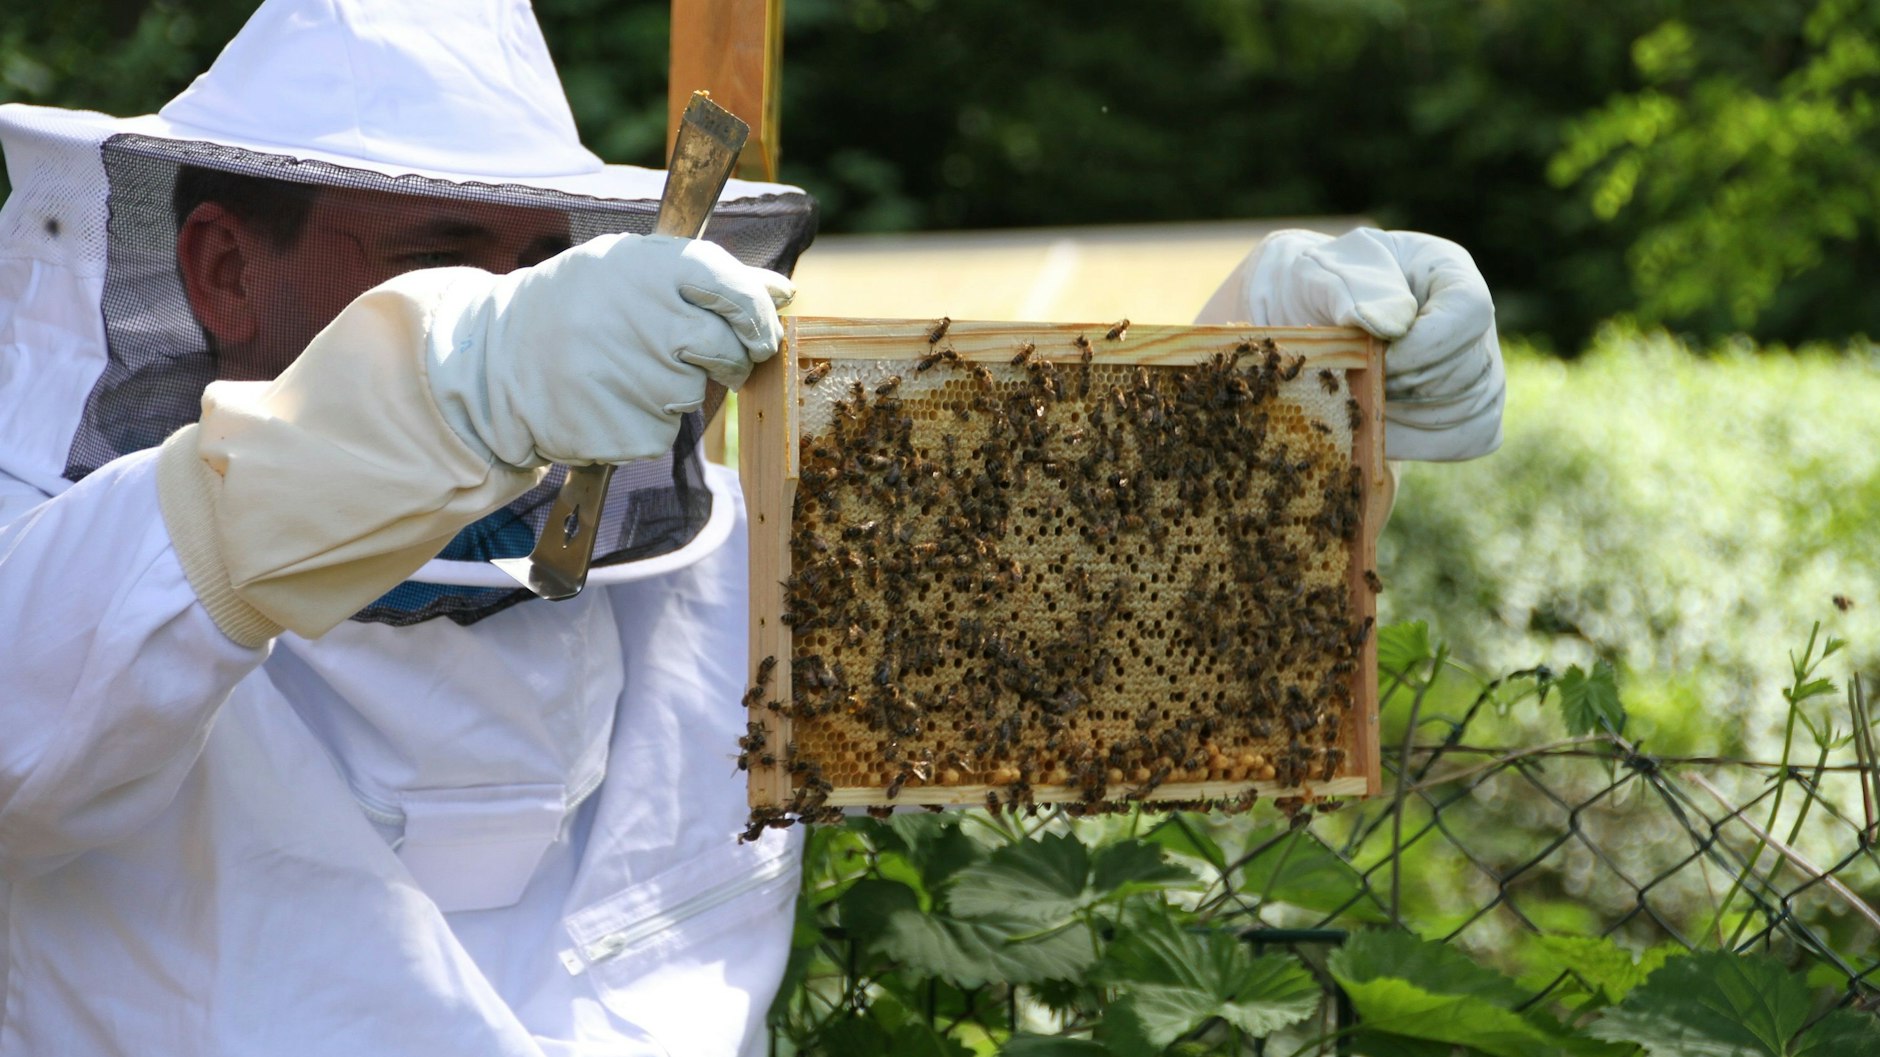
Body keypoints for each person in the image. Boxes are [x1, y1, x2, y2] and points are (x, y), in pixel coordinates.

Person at [0, 1, 1502, 1054]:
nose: (506, 301)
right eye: (441, 260)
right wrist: (456, 381)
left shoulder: (702, 582)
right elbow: (106, 612)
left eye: (538, 263)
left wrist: (1291, 398)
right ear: (217, 270)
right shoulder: (54, 558)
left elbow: (1123, 609)